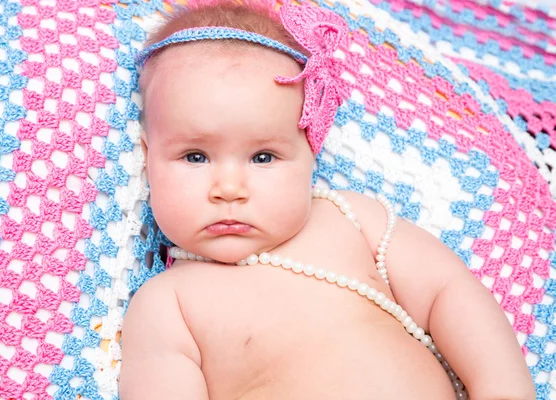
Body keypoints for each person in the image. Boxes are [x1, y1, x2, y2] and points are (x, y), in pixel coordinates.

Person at [120, 1, 535, 399]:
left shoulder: (349, 219)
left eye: (263, 157)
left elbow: (450, 292)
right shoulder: (166, 305)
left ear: (311, 154)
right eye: (195, 157)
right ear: (148, 157)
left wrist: (500, 388)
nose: (229, 189)